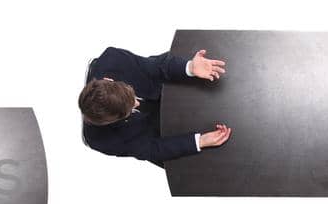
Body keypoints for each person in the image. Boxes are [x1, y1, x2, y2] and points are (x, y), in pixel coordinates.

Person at [79, 47, 232, 166]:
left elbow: (155, 67)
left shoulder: (113, 60)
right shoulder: (101, 140)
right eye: (130, 110)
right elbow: (152, 149)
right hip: (151, 130)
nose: (137, 103)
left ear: (109, 79)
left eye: (132, 95)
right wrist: (200, 141)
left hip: (159, 85)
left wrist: (190, 67)